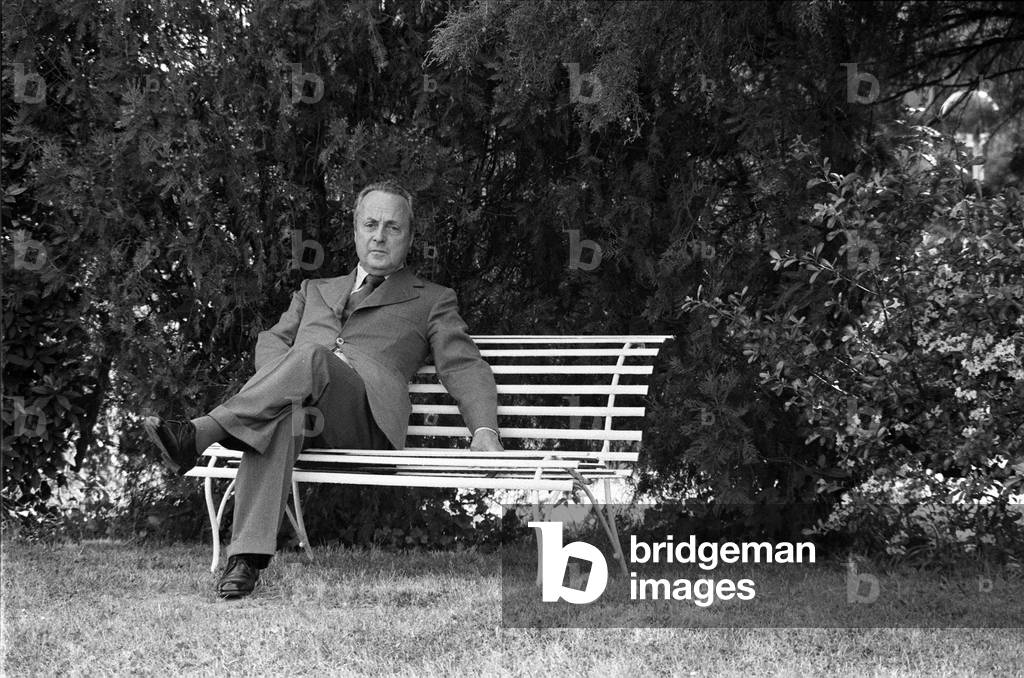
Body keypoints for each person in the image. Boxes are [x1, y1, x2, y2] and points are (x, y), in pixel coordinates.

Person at [144, 180, 503, 598]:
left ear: (409, 236)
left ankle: (203, 432)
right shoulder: (314, 289)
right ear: (354, 230)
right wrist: (284, 381)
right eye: (370, 224)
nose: (379, 235)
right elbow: (273, 340)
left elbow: (463, 365)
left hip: (364, 421)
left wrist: (484, 430)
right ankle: (246, 560)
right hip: (304, 415)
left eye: (393, 227)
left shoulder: (433, 299)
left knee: (313, 356)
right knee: (285, 415)